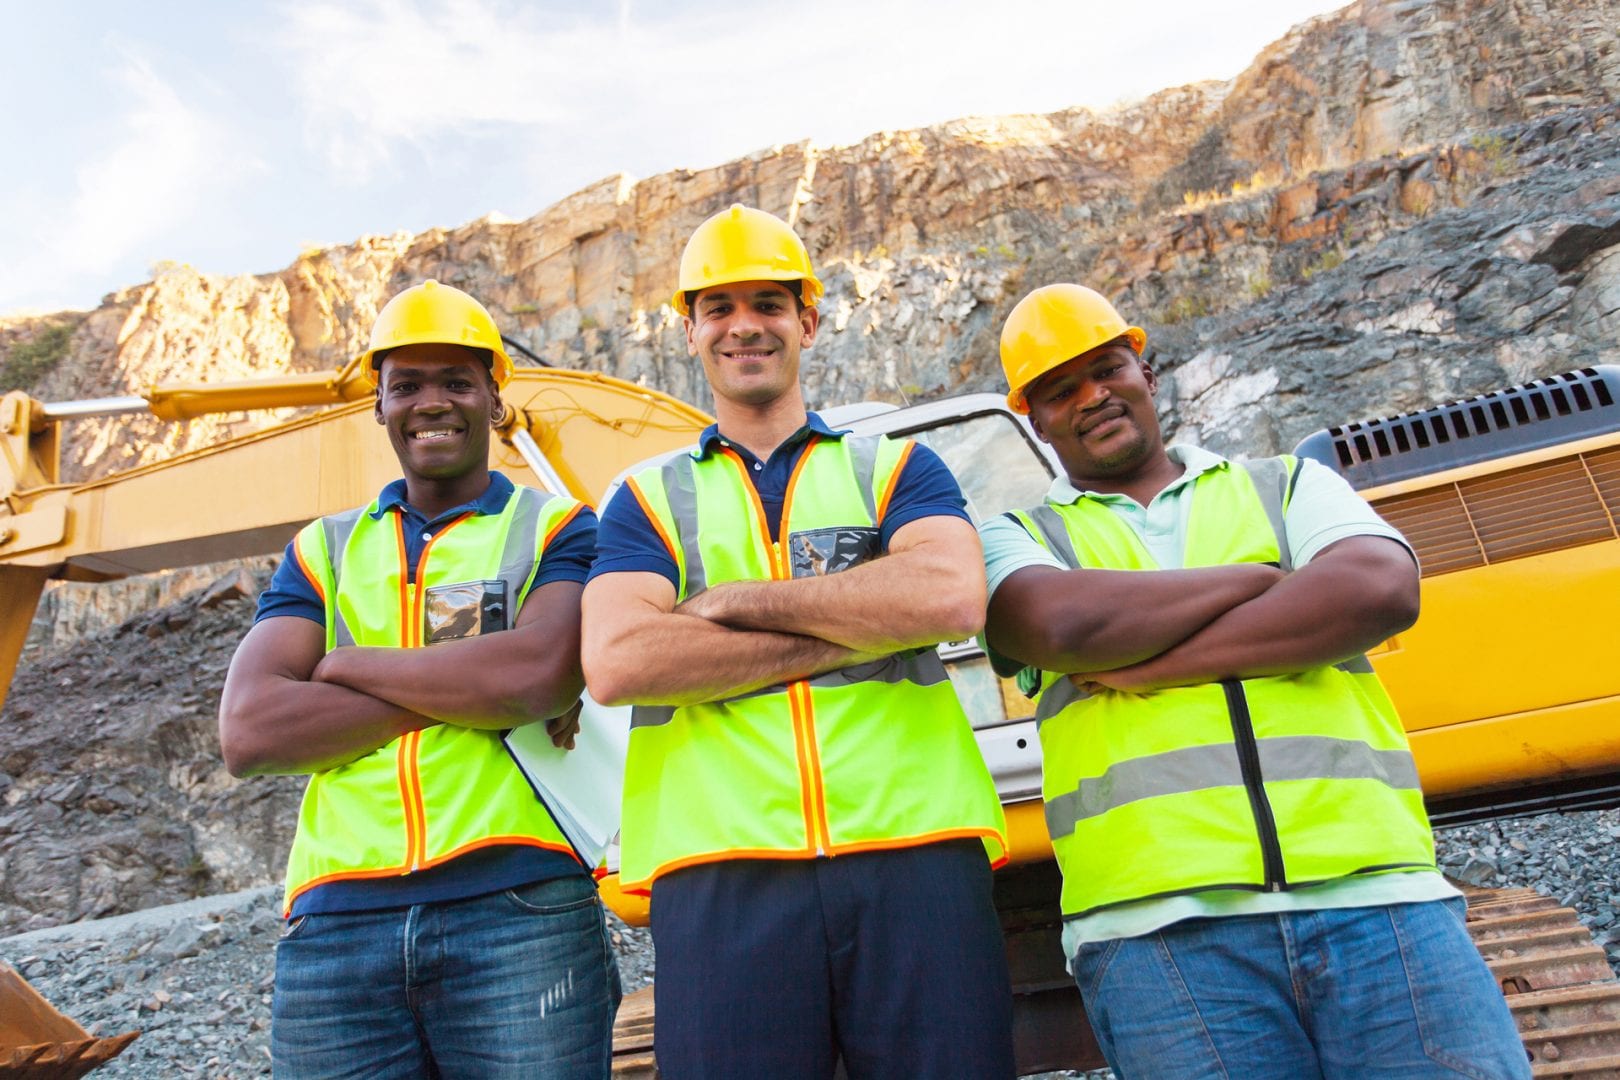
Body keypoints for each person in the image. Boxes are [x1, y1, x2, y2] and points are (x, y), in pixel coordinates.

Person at [979, 283, 1530, 1078]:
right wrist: (1267, 579)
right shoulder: (1020, 537)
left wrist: (1153, 662)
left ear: (1146, 370)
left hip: (1377, 899)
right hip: (1160, 935)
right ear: (1035, 418)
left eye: (1107, 369)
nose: (1093, 397)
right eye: (1061, 389)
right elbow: (1063, 627)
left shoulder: (1286, 483)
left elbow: (1380, 588)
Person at [581, 204, 1014, 1079]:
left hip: (916, 853)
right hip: (721, 874)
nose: (746, 325)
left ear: (807, 321)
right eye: (720, 307)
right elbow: (623, 659)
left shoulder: (894, 466)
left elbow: (951, 594)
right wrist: (856, 625)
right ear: (693, 333)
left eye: (770, 304)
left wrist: (733, 602)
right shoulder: (647, 500)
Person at [218, 280, 620, 1079]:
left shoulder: (557, 526)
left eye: (455, 382)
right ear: (379, 405)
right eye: (406, 384)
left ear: (495, 398)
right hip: (335, 924)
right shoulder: (323, 549)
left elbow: (537, 676)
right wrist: (468, 687)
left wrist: (344, 666)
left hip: (521, 905)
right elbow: (251, 731)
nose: (431, 402)